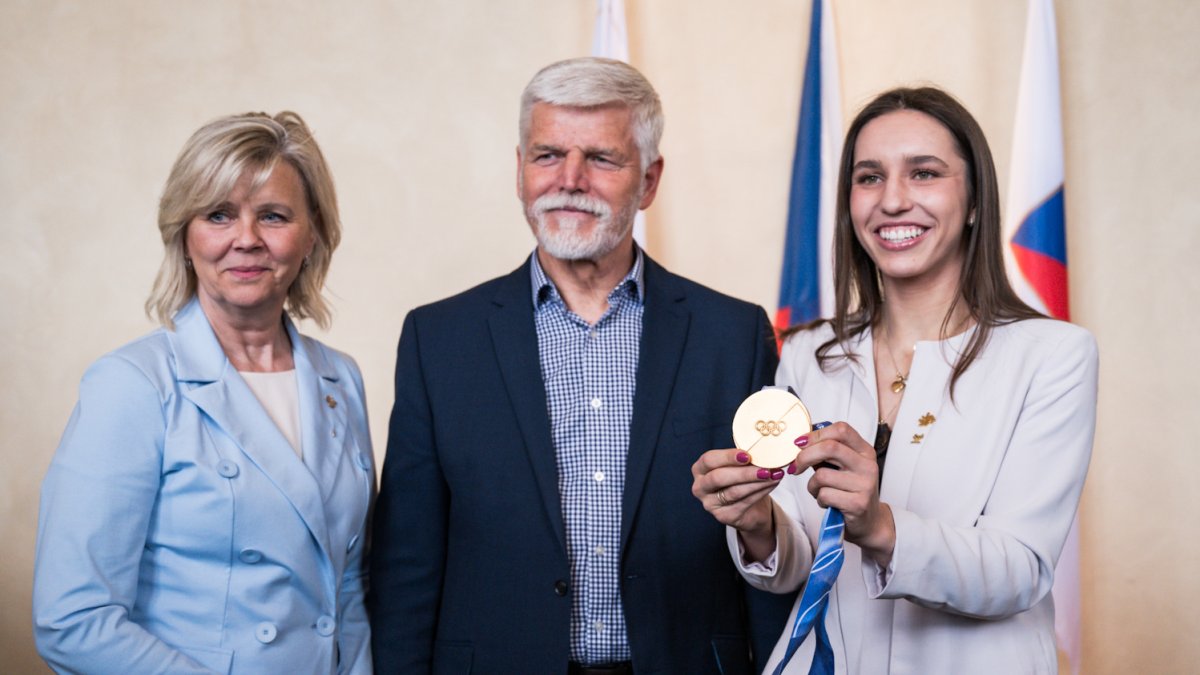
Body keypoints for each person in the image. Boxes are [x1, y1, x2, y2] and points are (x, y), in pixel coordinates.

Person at [368, 57, 792, 674]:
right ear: (519, 172)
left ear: (648, 180)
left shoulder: (733, 335)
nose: (570, 180)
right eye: (546, 156)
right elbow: (407, 566)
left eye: (601, 158)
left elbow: (764, 536)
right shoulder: (438, 341)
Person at [692, 87, 1098, 673]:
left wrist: (877, 524)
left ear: (976, 199)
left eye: (924, 173)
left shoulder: (1053, 356)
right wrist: (756, 521)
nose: (893, 200)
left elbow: (1020, 570)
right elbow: (795, 567)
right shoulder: (809, 353)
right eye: (869, 177)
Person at [33, 112, 374, 674]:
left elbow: (350, 590)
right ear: (184, 234)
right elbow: (74, 618)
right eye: (218, 215)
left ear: (311, 235)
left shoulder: (342, 379)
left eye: (273, 215)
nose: (246, 239)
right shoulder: (134, 384)